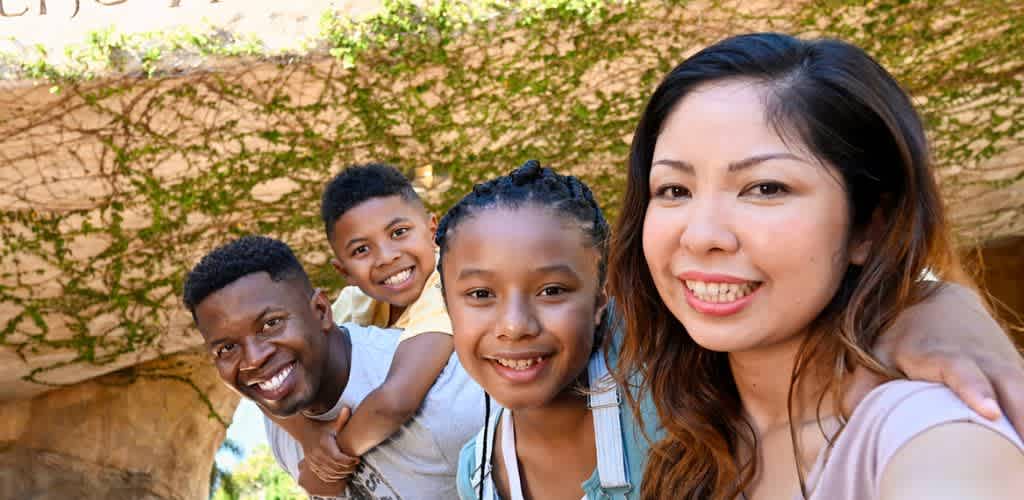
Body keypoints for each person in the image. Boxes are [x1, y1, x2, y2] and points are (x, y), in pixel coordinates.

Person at [608, 33, 1024, 499]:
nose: (702, 235)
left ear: (868, 225)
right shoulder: (687, 455)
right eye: (674, 190)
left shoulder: (933, 434)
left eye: (765, 188)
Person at [183, 235, 482, 498]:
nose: (253, 359)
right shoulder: (283, 424)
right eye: (227, 348)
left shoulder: (442, 404)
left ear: (321, 311)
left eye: (271, 324)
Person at [440, 161, 655, 499]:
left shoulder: (666, 400)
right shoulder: (478, 478)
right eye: (481, 294)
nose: (514, 326)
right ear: (448, 308)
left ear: (600, 299)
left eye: (551, 290)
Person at [301, 163, 455, 467]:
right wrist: (308, 435)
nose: (387, 257)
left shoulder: (450, 285)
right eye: (361, 250)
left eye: (399, 232)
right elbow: (288, 366)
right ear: (344, 271)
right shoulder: (354, 301)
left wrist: (328, 459)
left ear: (432, 230)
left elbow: (395, 403)